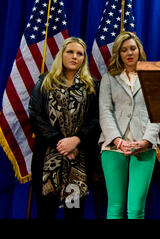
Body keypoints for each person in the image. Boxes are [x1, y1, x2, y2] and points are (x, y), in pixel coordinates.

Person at [29, 37, 100, 219]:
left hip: (79, 161)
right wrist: (61, 143)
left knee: (74, 213)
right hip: (47, 159)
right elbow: (35, 116)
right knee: (46, 213)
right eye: (70, 52)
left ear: (84, 58)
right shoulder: (45, 82)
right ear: (62, 54)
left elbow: (97, 119)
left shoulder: (92, 86)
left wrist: (76, 140)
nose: (74, 56)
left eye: (79, 53)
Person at [98, 31, 160, 219]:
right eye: (124, 50)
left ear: (139, 50)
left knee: (136, 210)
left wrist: (146, 141)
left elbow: (156, 114)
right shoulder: (109, 78)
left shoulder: (151, 75)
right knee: (115, 208)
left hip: (143, 147)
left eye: (132, 48)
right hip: (113, 148)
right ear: (118, 54)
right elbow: (105, 111)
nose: (129, 53)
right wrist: (117, 140)